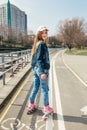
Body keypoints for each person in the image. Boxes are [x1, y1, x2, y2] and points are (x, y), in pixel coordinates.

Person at [27, 26, 53, 115]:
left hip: (36, 69)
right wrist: (42, 72)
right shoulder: (42, 44)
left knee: (35, 87)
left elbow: (34, 60)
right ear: (39, 34)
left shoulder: (37, 44)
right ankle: (46, 108)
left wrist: (35, 70)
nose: (45, 34)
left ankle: (31, 104)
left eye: (46, 32)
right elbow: (39, 59)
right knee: (45, 89)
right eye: (42, 32)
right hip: (42, 70)